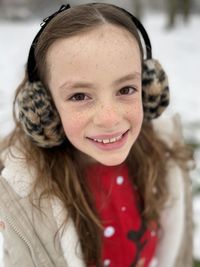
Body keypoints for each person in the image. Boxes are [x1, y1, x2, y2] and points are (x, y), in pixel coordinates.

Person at [0, 3, 194, 267]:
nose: (109, 118)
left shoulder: (164, 157)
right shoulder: (27, 202)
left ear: (148, 89)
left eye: (126, 89)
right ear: (43, 108)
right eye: (79, 96)